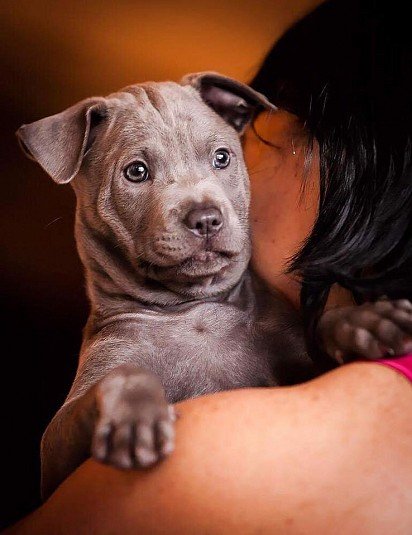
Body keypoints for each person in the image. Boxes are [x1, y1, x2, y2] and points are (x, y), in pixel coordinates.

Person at [6, 0, 412, 532]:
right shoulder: (124, 348)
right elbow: (56, 465)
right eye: (137, 171)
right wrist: (109, 398)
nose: (203, 206)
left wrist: (335, 331)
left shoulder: (285, 323)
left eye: (222, 157)